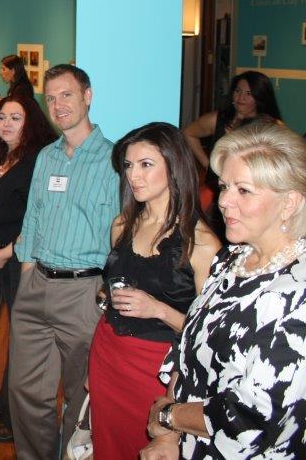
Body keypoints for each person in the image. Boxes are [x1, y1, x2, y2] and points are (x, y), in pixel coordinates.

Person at [141, 122, 306, 459]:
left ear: (289, 202)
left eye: (243, 190)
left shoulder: (297, 292)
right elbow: (188, 347)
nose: (224, 201)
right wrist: (170, 435)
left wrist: (169, 416)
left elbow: (252, 416)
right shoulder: (232, 259)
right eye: (224, 186)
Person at [87, 123, 220, 459]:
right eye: (128, 165)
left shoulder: (201, 242)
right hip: (108, 351)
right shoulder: (122, 224)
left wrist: (158, 309)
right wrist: (107, 297)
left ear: (174, 167)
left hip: (159, 369)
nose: (133, 176)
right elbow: (115, 285)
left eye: (146, 164)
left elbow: (210, 336)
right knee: (108, 445)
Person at [9, 64, 119, 459]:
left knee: (80, 395)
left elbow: (122, 234)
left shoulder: (114, 161)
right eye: (51, 98)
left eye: (66, 95)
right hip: (36, 284)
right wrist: (26, 275)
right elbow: (33, 219)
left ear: (87, 96)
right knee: (25, 392)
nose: (58, 105)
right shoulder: (46, 157)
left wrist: (106, 293)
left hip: (84, 293)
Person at [0, 94, 56, 444]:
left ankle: (18, 422)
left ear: (30, 123)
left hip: (23, 261)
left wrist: (6, 253)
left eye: (15, 118)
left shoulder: (35, 161)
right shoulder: (11, 156)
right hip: (10, 260)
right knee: (15, 338)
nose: (6, 124)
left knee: (26, 345)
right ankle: (5, 406)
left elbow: (36, 220)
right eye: (2, 117)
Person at [182, 71, 283, 228]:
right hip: (216, 190)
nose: (241, 97)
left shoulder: (270, 126)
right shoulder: (218, 119)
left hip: (248, 194)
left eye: (248, 93)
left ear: (260, 97)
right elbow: (189, 133)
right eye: (238, 91)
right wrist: (208, 163)